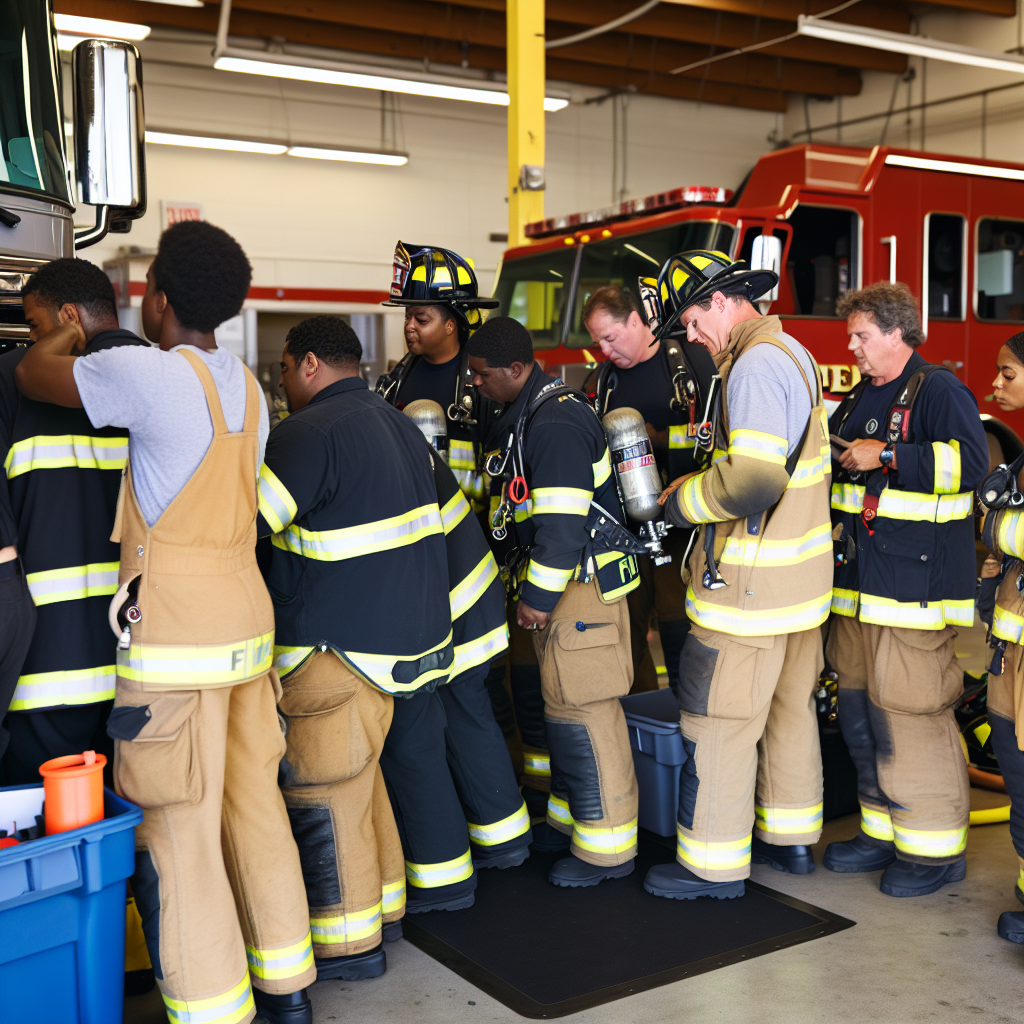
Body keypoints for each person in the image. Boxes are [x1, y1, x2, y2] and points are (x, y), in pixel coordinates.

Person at [15, 221, 316, 1024]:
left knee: (178, 832)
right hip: (250, 634)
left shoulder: (141, 372)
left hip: (176, 641)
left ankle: (215, 1008)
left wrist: (71, 333)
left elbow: (34, 372)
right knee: (255, 808)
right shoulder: (249, 386)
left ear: (159, 300)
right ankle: (288, 989)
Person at [257, 316, 455, 978]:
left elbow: (248, 526)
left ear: (308, 363)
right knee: (364, 786)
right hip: (405, 645)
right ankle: (385, 911)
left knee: (326, 794)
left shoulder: (306, 434)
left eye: (284, 370)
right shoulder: (397, 422)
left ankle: (347, 943)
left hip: (334, 650)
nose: (283, 385)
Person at [643, 251, 832, 901]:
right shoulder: (794, 354)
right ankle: (792, 842)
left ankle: (712, 866)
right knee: (788, 715)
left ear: (723, 301)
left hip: (748, 593)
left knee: (719, 723)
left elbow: (752, 481)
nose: (690, 337)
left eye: (692, 321)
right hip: (799, 591)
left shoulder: (752, 368)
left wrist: (681, 502)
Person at [824, 281, 987, 897]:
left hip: (913, 596)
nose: (852, 347)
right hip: (861, 592)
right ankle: (881, 831)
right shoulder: (861, 394)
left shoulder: (938, 390)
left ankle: (935, 849)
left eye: (861, 335)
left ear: (897, 333)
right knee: (864, 715)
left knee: (913, 716)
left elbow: (970, 466)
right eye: (851, 336)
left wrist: (887, 454)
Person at [469, 315, 642, 888]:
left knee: (587, 713)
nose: (474, 385)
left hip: (578, 590)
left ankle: (607, 850)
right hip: (568, 590)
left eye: (482, 375)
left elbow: (564, 530)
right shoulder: (528, 413)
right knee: (565, 710)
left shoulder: (556, 422)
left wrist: (536, 599)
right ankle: (574, 825)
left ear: (516, 370)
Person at [0, 259, 147, 784]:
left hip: (45, 668)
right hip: (139, 664)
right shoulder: (164, 384)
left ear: (68, 318)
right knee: (127, 823)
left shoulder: (14, 382)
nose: (30, 339)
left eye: (36, 326)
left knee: (41, 832)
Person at [380, 409, 529, 914]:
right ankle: (505, 839)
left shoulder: (357, 448)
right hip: (472, 599)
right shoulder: (395, 436)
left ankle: (446, 877)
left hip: (452, 611)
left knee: (441, 725)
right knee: (472, 716)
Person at [582, 281, 716, 695]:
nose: (604, 350)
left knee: (679, 623)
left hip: (682, 526)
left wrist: (659, 439)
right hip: (624, 532)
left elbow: (718, 435)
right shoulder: (600, 383)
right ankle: (639, 721)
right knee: (626, 627)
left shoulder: (693, 362)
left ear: (637, 321)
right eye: (597, 342)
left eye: (610, 337)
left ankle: (686, 713)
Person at [377, 242, 499, 510]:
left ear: (450, 325)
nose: (409, 327)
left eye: (421, 320)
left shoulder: (483, 386)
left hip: (470, 524)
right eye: (407, 317)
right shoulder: (394, 383)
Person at [982, 330, 1024, 943]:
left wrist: (996, 524)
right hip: (1009, 656)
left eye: (1008, 374)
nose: (994, 385)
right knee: (1015, 769)